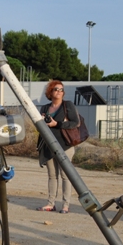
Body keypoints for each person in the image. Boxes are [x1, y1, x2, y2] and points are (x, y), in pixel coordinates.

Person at [35, 79, 80, 214]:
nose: (59, 92)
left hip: (64, 145)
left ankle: (65, 205)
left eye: (61, 89)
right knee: (52, 176)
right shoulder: (44, 108)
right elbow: (39, 126)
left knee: (65, 176)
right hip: (48, 145)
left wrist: (57, 124)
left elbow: (75, 123)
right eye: (56, 89)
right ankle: (50, 203)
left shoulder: (68, 105)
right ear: (50, 92)